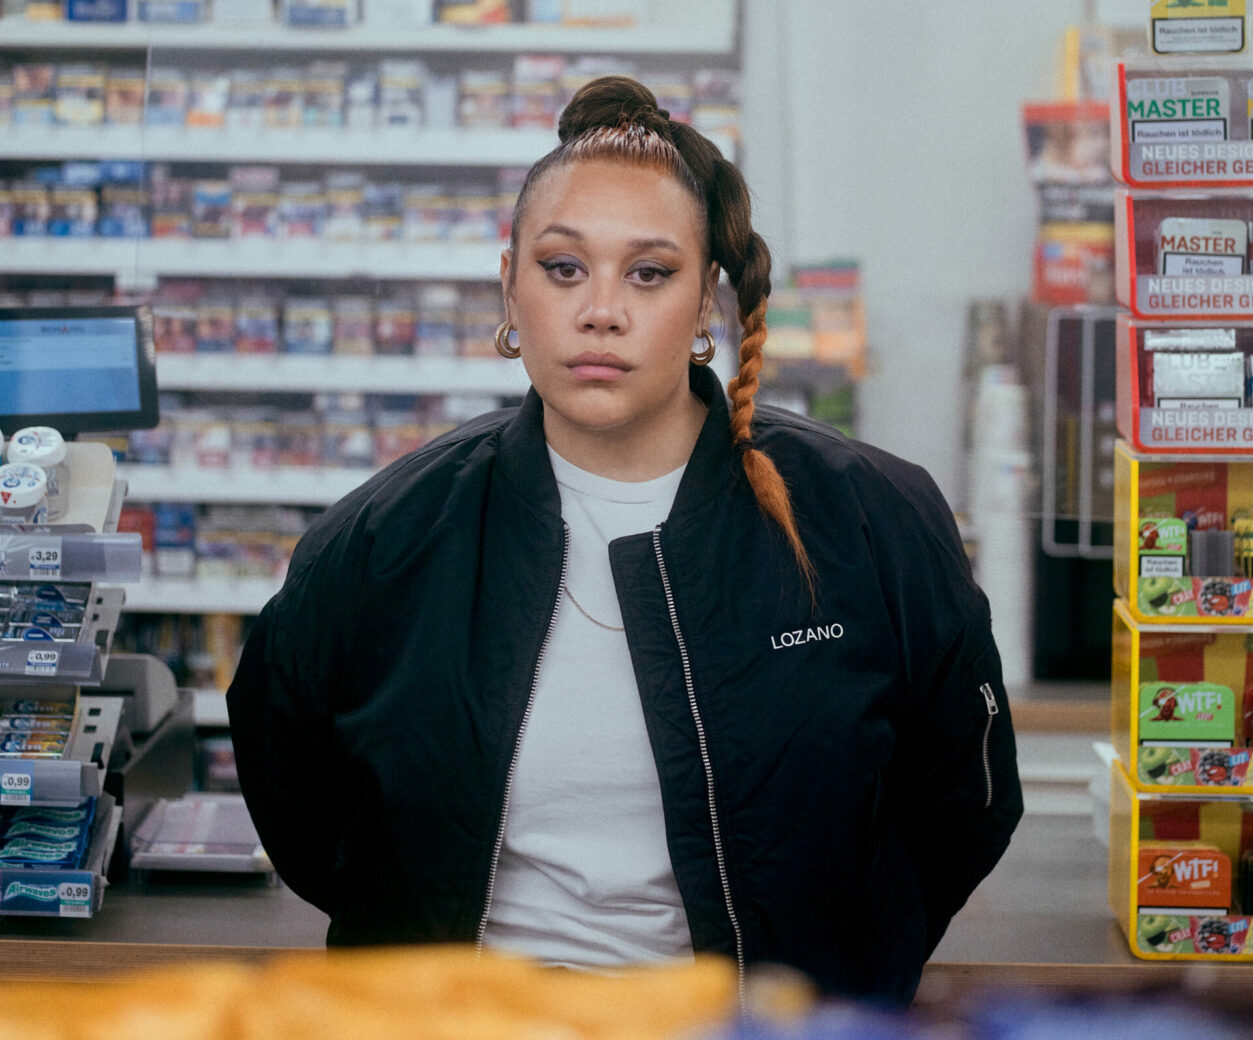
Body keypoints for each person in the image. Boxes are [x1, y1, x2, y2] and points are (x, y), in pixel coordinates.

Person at [226, 75, 1022, 1004]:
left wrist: (840, 979)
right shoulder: (385, 537)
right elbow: (298, 795)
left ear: (703, 303)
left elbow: (959, 803)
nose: (600, 310)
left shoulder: (868, 519)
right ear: (509, 287)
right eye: (563, 268)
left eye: (648, 272)